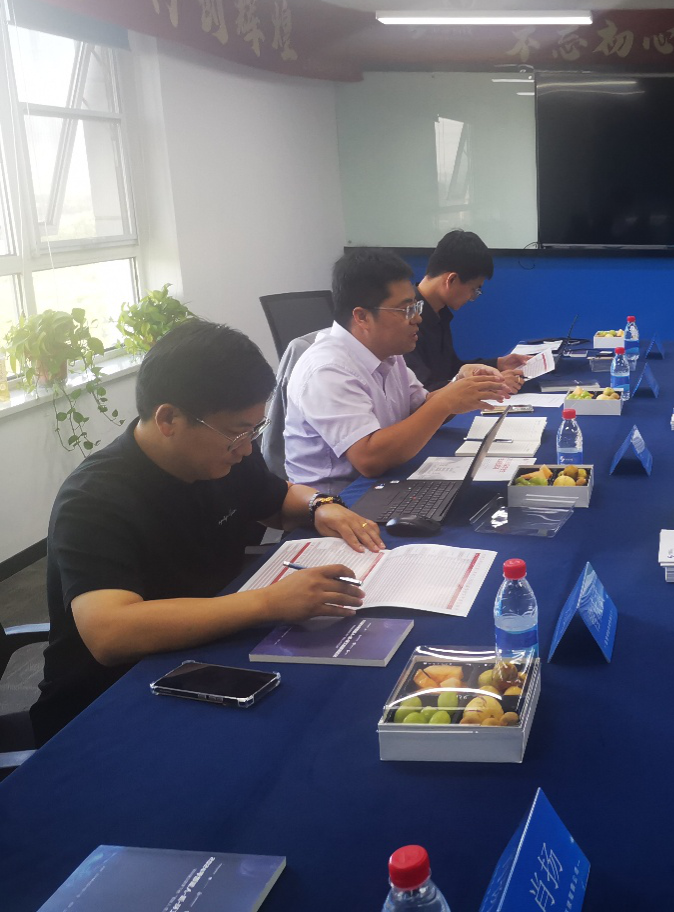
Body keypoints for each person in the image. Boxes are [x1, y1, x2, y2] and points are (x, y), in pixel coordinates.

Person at [32, 320, 379, 743]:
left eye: (254, 430)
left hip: (208, 656)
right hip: (108, 703)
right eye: (236, 432)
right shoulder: (93, 499)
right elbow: (110, 632)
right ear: (169, 419)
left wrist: (320, 506)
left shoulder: (224, 455)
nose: (248, 448)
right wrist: (269, 602)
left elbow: (277, 500)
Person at [285, 247, 509, 495]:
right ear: (362, 317)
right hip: (336, 502)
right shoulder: (327, 369)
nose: (417, 319)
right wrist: (446, 401)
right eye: (405, 310)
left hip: (384, 485)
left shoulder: (389, 353)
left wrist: (459, 387)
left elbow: (421, 407)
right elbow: (369, 459)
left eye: (416, 307)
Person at [404, 230, 530, 393]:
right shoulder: (407, 320)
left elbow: (452, 371)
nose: (472, 297)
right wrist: (491, 383)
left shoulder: (440, 313)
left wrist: (498, 364)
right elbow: (422, 391)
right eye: (474, 290)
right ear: (451, 279)